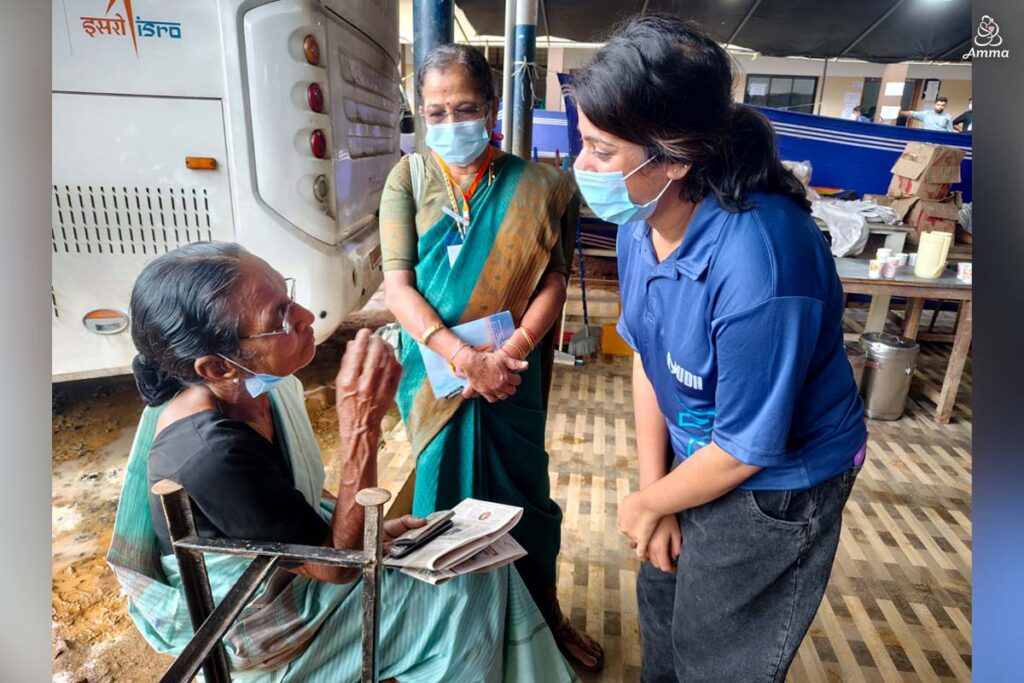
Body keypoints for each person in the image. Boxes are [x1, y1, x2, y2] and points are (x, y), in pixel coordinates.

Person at [106, 242, 577, 682]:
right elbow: (336, 568)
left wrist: (377, 531)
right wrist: (359, 428)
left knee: (476, 563)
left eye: (287, 295)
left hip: (298, 562)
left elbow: (288, 502)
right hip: (260, 617)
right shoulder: (209, 452)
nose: (307, 316)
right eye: (280, 317)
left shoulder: (261, 385)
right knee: (468, 595)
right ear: (216, 367)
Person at [571, 15, 867, 682]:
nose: (581, 167)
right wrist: (659, 492)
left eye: (602, 151)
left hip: (774, 480)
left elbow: (744, 451)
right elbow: (648, 354)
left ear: (676, 159)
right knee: (663, 600)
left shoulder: (762, 265)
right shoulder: (641, 223)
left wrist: (649, 504)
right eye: (582, 142)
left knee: (719, 650)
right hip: (696, 450)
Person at [378, 42, 605, 672]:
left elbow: (554, 281)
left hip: (513, 374)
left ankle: (544, 616)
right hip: (436, 376)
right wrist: (461, 357)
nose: (451, 124)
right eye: (436, 112)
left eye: (465, 108)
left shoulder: (543, 186)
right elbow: (398, 286)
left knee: (525, 498)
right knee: (439, 503)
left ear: (493, 106)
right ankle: (441, 638)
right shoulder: (408, 179)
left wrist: (507, 353)